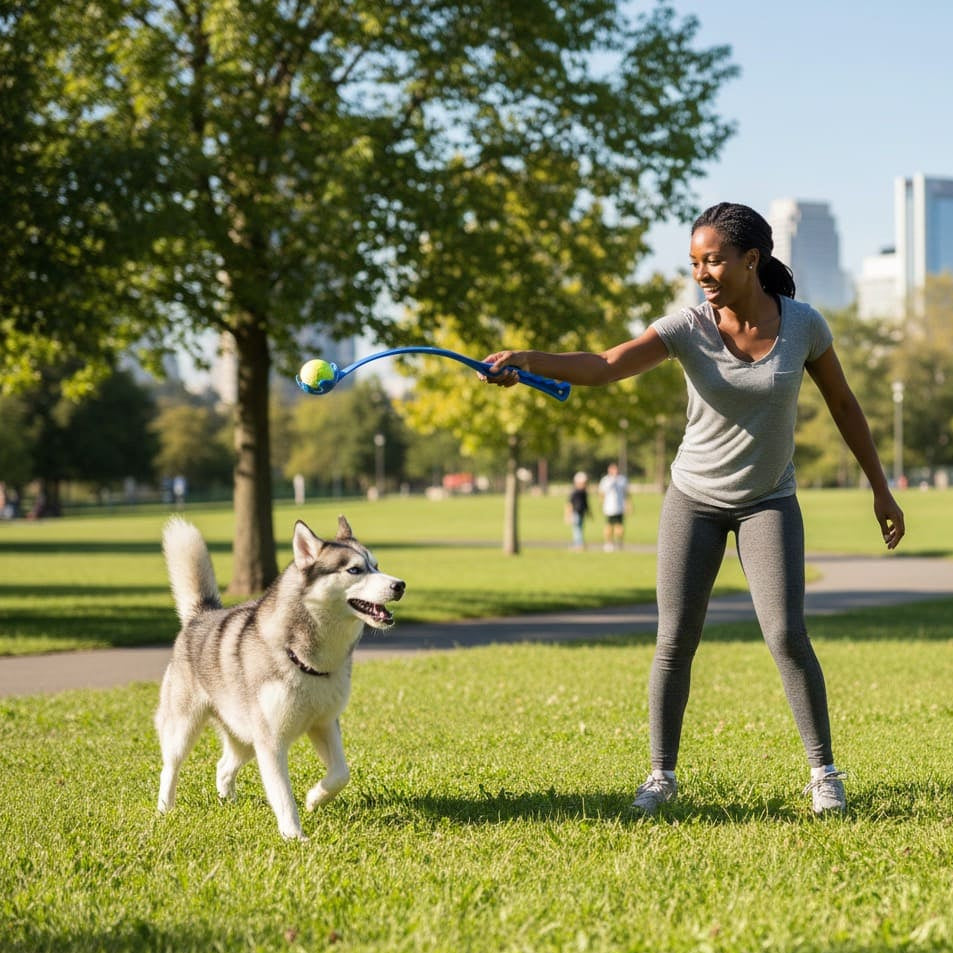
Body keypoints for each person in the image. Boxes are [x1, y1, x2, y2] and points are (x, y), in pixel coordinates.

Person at [481, 202, 905, 817]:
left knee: (786, 634)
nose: (701, 272)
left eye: (714, 260)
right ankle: (661, 776)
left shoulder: (805, 325)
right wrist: (526, 359)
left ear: (751, 259)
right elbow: (604, 365)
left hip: (769, 501)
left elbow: (843, 404)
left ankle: (824, 774)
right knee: (675, 639)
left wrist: (880, 488)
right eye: (694, 262)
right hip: (694, 500)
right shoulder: (687, 327)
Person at [598, 462, 629, 551]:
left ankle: (619, 542)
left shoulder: (622, 480)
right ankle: (608, 543)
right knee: (609, 526)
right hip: (609, 508)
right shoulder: (606, 480)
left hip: (619, 507)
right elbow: (601, 492)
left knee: (619, 526)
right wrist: (601, 503)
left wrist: (627, 505)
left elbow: (626, 493)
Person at [565, 471, 591, 550]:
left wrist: (589, 512)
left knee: (579, 528)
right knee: (577, 529)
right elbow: (569, 504)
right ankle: (578, 544)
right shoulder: (575, 492)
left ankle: (579, 543)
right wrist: (568, 515)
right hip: (575, 513)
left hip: (581, 513)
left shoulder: (584, 492)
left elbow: (586, 503)